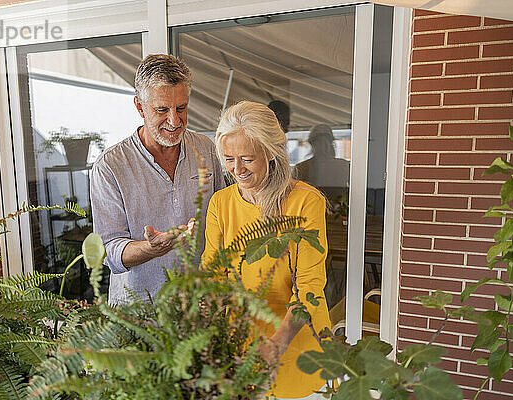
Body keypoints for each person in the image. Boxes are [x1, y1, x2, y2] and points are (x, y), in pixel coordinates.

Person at [203, 101, 331, 398]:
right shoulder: (220, 205)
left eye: (247, 159)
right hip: (239, 347)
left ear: (271, 152)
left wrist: (276, 344)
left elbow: (310, 287)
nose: (237, 170)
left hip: (297, 346)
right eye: (229, 159)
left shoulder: (305, 202)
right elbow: (212, 277)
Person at [91, 54, 225, 305]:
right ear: (140, 107)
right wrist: (150, 249)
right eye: (162, 110)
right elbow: (109, 251)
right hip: (140, 315)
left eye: (181, 108)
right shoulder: (110, 166)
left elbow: (225, 218)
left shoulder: (206, 149)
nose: (174, 121)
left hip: (201, 308)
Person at [295, 124, 349, 201]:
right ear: (312, 143)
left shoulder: (343, 165)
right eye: (319, 141)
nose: (323, 144)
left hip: (339, 208)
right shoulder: (301, 167)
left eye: (326, 141)